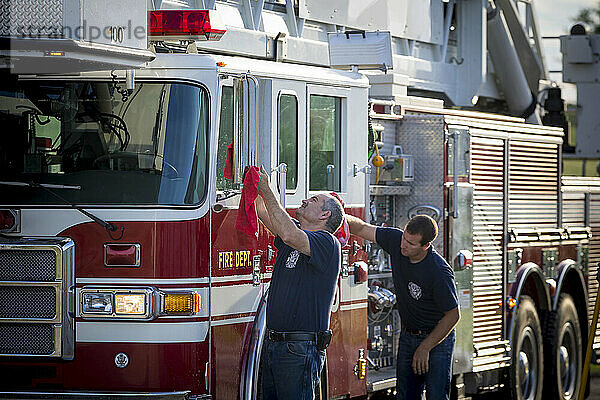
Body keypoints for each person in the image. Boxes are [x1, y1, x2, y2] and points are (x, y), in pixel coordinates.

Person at [346, 214, 460, 400]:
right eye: (404, 238)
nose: (403, 245)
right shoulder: (396, 240)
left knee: (437, 396)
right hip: (408, 337)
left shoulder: (439, 271)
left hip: (437, 341)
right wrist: (335, 214)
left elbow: (453, 316)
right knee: (405, 395)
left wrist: (425, 348)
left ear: (426, 246)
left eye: (411, 243)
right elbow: (361, 228)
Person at [255, 165, 344, 400]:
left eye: (313, 200)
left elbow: (288, 234)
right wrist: (250, 179)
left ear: (325, 215)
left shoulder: (327, 243)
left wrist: (267, 187)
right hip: (276, 345)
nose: (304, 200)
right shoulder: (295, 236)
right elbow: (264, 212)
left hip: (300, 349)